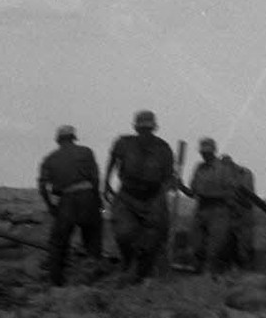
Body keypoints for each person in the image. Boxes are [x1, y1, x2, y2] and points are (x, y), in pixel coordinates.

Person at [103, 110, 175, 283]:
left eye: (148, 129)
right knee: (123, 233)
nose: (145, 132)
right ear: (136, 128)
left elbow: (168, 177)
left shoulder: (163, 148)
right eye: (142, 128)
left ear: (153, 129)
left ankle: (143, 273)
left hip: (153, 197)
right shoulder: (123, 143)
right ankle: (128, 264)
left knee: (153, 239)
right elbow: (112, 161)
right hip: (127, 195)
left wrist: (160, 198)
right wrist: (105, 183)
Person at [37, 125, 103, 286]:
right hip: (88, 197)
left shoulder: (50, 158)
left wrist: (51, 206)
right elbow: (95, 179)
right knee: (93, 240)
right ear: (74, 138)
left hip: (66, 201)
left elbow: (42, 186)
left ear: (58, 140)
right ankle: (90, 280)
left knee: (58, 243)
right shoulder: (86, 152)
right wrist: (97, 200)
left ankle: (57, 283)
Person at [177, 138, 234, 276]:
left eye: (207, 152)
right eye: (203, 152)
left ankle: (209, 274)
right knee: (195, 244)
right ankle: (198, 271)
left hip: (219, 210)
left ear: (213, 151)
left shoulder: (224, 169)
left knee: (214, 246)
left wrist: (208, 193)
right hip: (201, 209)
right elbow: (193, 192)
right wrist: (180, 186)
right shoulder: (199, 168)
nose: (205, 155)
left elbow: (230, 192)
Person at [222, 154, 257, 269]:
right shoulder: (224, 175)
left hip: (243, 216)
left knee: (243, 249)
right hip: (229, 216)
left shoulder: (245, 174)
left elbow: (248, 201)